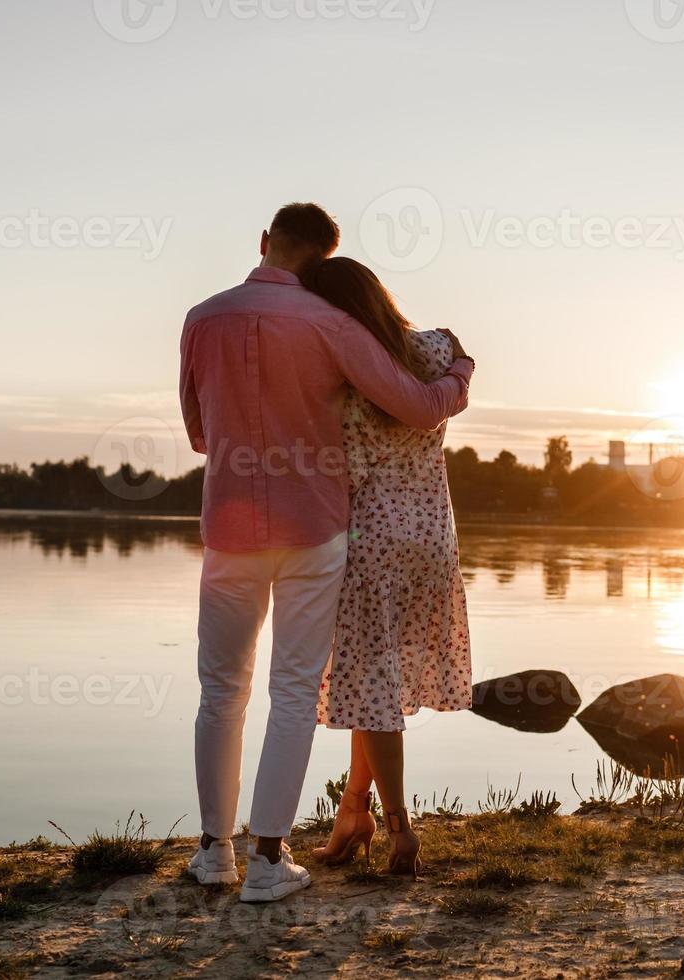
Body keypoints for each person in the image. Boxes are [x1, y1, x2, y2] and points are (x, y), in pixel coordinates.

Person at [179, 203, 474, 903]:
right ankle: (268, 863)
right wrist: (460, 370)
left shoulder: (200, 317)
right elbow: (419, 404)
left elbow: (198, 432)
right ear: (322, 261)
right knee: (290, 692)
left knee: (221, 690)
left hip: (228, 527)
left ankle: (213, 852)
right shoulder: (332, 324)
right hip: (313, 529)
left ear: (264, 242)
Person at [301, 258, 474, 877]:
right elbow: (459, 361)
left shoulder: (343, 364)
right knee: (377, 685)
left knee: (372, 691)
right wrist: (461, 367)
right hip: (431, 539)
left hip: (371, 542)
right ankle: (354, 812)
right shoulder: (432, 350)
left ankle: (401, 829)